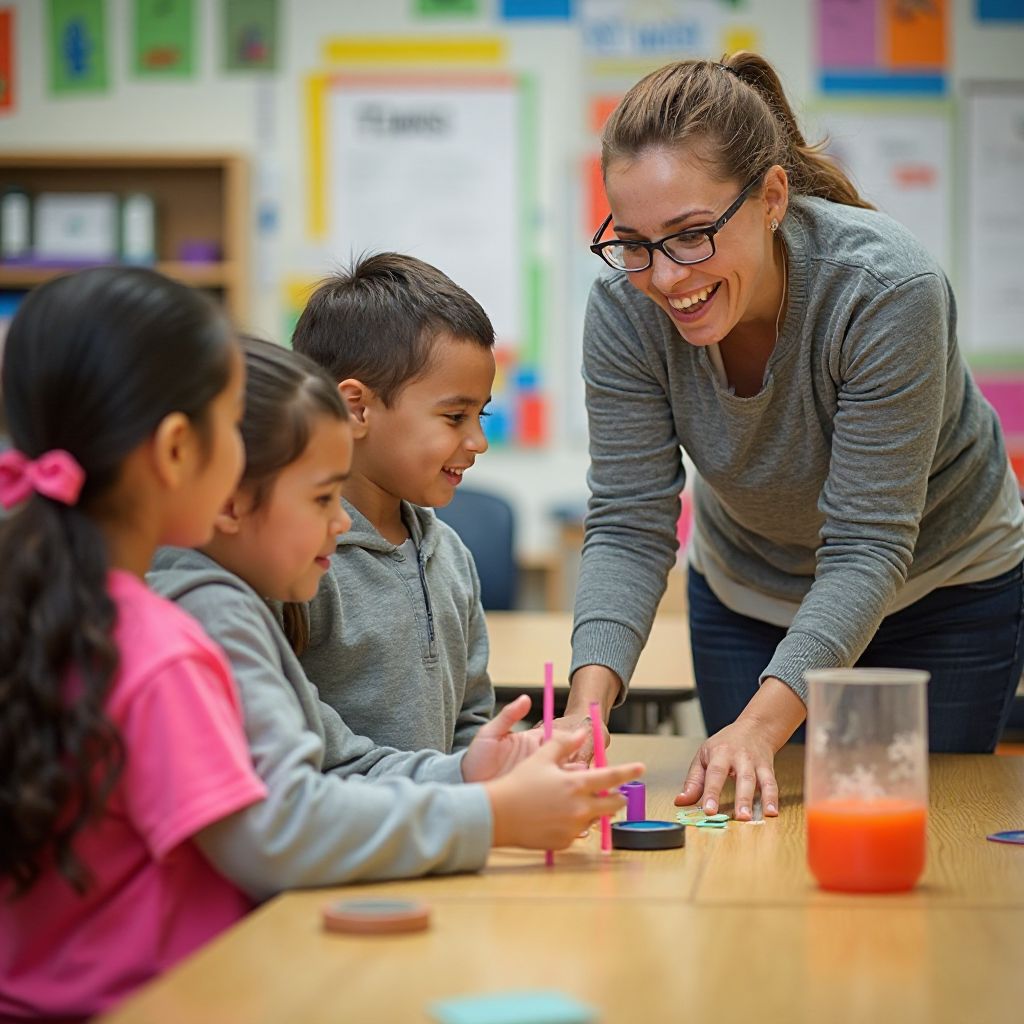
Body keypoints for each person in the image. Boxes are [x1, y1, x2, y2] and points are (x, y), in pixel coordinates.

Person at [561, 53, 1024, 821]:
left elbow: (869, 544)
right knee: (750, 832)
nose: (666, 277)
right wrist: (587, 707)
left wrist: (759, 725)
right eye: (635, 242)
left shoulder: (884, 292)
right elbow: (628, 524)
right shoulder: (623, 305)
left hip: (945, 586)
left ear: (772, 196)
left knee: (928, 832)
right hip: (751, 586)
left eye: (691, 234)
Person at [149, 337, 642, 900]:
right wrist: (490, 814)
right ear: (230, 503)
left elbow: (343, 764)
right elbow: (279, 830)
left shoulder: (236, 605)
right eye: (321, 499)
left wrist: (471, 773)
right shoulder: (209, 613)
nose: (341, 524)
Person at [0, 267, 265, 1019]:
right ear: (178, 448)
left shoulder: (30, 607)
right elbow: (258, 850)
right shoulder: (160, 654)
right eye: (237, 420)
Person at [291, 253, 497, 754]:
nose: (477, 441)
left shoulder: (449, 555)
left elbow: (470, 721)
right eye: (454, 417)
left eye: (481, 416)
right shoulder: (295, 561)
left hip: (441, 824)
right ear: (356, 407)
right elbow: (302, 747)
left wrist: (499, 768)